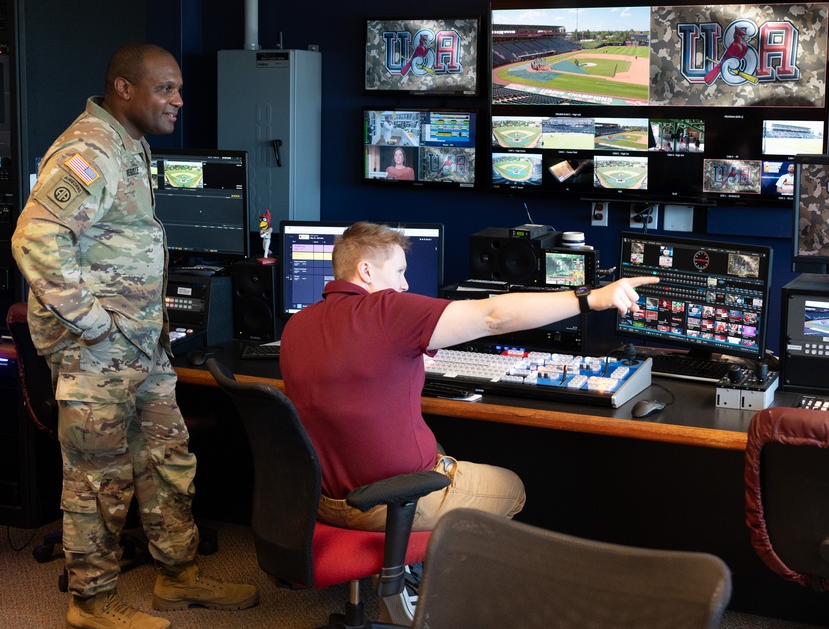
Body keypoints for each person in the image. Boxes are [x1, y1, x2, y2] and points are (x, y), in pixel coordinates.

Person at [279, 221, 658, 623]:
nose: (405, 285)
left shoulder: (297, 326)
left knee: (439, 447)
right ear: (367, 272)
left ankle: (403, 575)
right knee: (512, 487)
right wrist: (591, 298)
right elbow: (493, 317)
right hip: (381, 502)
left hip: (322, 499)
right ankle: (444, 601)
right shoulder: (388, 311)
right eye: (400, 272)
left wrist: (401, 356)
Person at [11, 43, 258, 629]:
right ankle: (91, 602)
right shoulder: (87, 149)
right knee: (99, 477)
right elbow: (36, 238)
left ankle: (180, 575)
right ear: (124, 88)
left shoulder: (130, 143)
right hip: (98, 351)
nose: (178, 100)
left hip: (142, 346)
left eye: (178, 88)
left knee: (167, 457)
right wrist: (95, 324)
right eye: (165, 89)